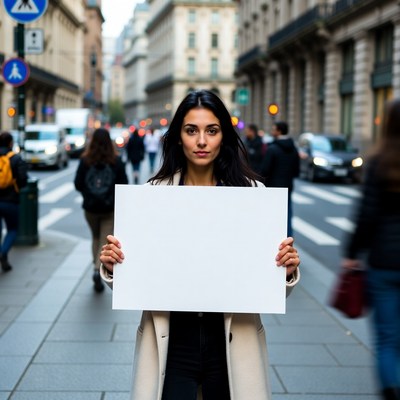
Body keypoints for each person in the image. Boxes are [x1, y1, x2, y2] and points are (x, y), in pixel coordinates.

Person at [98, 90, 300, 400]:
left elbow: (271, 289)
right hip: (173, 341)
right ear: (178, 136)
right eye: (191, 130)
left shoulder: (253, 195)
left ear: (224, 137)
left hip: (233, 343)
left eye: (212, 131)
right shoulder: (153, 195)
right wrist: (113, 266)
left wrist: (285, 271)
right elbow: (137, 277)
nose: (202, 141)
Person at [342, 98, 400, 400]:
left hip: (384, 262)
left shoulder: (379, 162)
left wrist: (351, 254)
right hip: (385, 262)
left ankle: (391, 389)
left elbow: (366, 215)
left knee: (387, 339)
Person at [74, 128, 128, 292]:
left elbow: (78, 183)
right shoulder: (115, 160)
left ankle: (96, 268)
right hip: (109, 208)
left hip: (90, 208)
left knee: (95, 237)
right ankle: (99, 270)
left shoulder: (85, 160)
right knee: (105, 239)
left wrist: (88, 193)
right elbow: (123, 184)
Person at [260, 121, 300, 237]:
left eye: (274, 129)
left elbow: (265, 170)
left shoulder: (272, 148)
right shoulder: (294, 149)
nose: (272, 131)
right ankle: (288, 239)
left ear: (279, 131)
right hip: (288, 186)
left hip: (273, 187)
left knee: (273, 216)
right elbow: (296, 171)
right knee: (288, 214)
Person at [0, 131, 28, 272]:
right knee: (12, 229)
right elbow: (23, 180)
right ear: (11, 143)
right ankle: (3, 252)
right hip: (11, 201)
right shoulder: (16, 159)